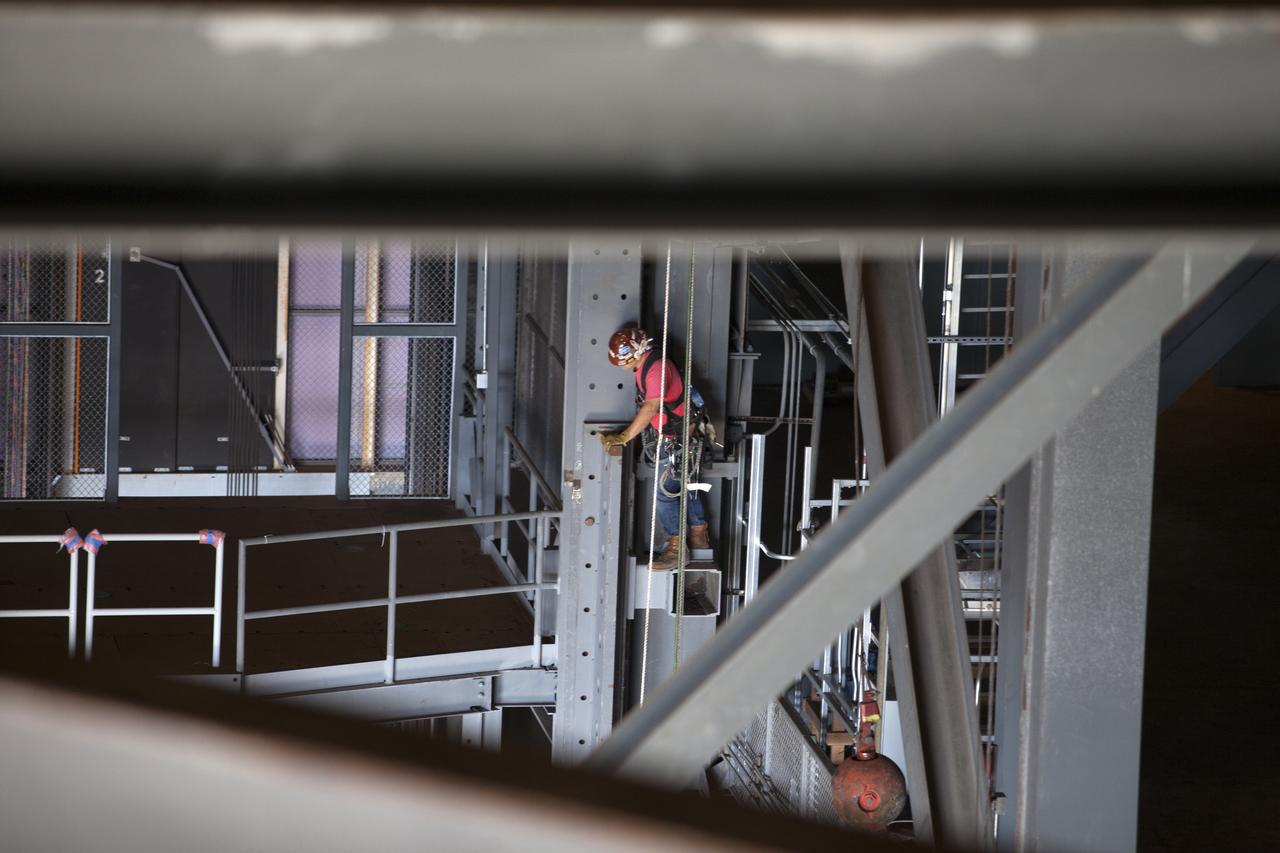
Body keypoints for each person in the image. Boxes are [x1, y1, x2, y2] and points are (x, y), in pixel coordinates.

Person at [598, 326, 710, 571]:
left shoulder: (656, 370)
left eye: (623, 361)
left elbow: (649, 408)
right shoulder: (647, 364)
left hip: (677, 437)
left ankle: (677, 549)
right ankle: (699, 536)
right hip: (677, 434)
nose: (622, 366)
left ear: (637, 353)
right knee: (685, 485)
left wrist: (623, 437)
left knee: (665, 493)